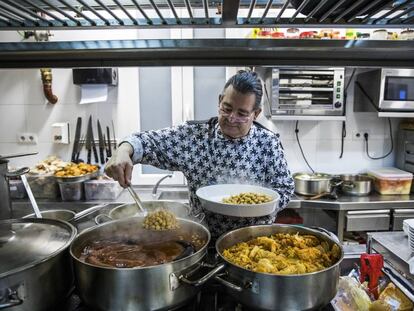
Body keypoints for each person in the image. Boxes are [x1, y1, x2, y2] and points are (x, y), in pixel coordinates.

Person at [105, 70, 295, 240]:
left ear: (256, 113)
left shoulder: (268, 143)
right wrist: (124, 149)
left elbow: (285, 188)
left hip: (254, 244)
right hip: (203, 242)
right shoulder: (194, 137)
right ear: (220, 100)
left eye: (242, 113)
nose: (231, 118)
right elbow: (145, 142)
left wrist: (259, 207)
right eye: (227, 108)